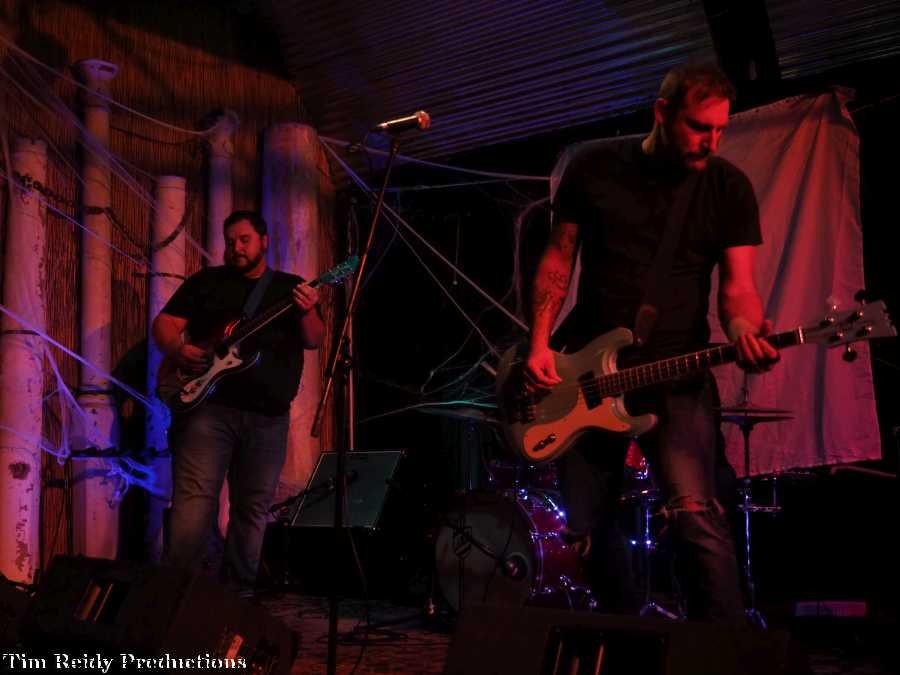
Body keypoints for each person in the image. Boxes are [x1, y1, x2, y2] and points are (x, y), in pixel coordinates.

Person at [524, 63, 779, 622]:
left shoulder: (727, 187)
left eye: (720, 129)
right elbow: (558, 259)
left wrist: (744, 331)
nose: (711, 141)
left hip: (675, 372)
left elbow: (738, 290)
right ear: (661, 113)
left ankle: (722, 650)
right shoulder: (594, 166)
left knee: (695, 514)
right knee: (588, 529)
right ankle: (626, 637)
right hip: (586, 375)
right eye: (699, 127)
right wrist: (539, 344)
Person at [152, 210, 325, 597]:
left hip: (269, 418)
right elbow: (163, 325)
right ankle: (176, 596)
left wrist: (309, 308)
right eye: (230, 242)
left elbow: (314, 339)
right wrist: (178, 351)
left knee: (252, 509)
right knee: (194, 505)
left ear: (264, 241)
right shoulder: (206, 283)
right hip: (208, 413)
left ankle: (236, 600)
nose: (236, 248)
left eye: (244, 240)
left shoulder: (289, 288)